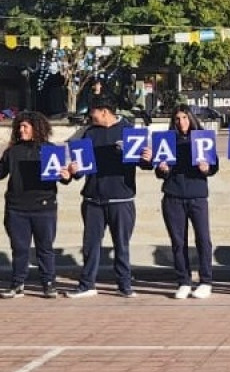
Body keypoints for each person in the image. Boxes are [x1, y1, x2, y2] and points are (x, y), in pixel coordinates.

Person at [66, 95, 146, 298]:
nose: (90, 116)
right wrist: (74, 170)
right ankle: (87, 284)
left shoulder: (129, 131)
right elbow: (81, 167)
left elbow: (144, 162)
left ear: (104, 111)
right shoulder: (89, 134)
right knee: (90, 244)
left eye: (92, 112)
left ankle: (124, 284)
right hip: (93, 199)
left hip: (121, 198)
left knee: (122, 244)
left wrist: (148, 158)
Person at [143, 105, 217, 300]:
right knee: (178, 241)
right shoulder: (167, 141)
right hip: (173, 196)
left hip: (197, 195)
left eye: (185, 117)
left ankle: (205, 281)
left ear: (191, 118)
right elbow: (159, 172)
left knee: (203, 240)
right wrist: (163, 169)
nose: (181, 122)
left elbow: (214, 165)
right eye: (177, 118)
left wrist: (206, 168)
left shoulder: (202, 138)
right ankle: (184, 281)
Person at [0, 111, 71, 299]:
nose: (21, 130)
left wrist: (66, 176)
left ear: (36, 128)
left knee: (45, 247)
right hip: (16, 208)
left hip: (44, 206)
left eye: (25, 127)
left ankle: (48, 283)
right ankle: (17, 283)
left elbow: (61, 177)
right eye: (19, 127)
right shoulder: (12, 152)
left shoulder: (49, 149)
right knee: (19, 248)